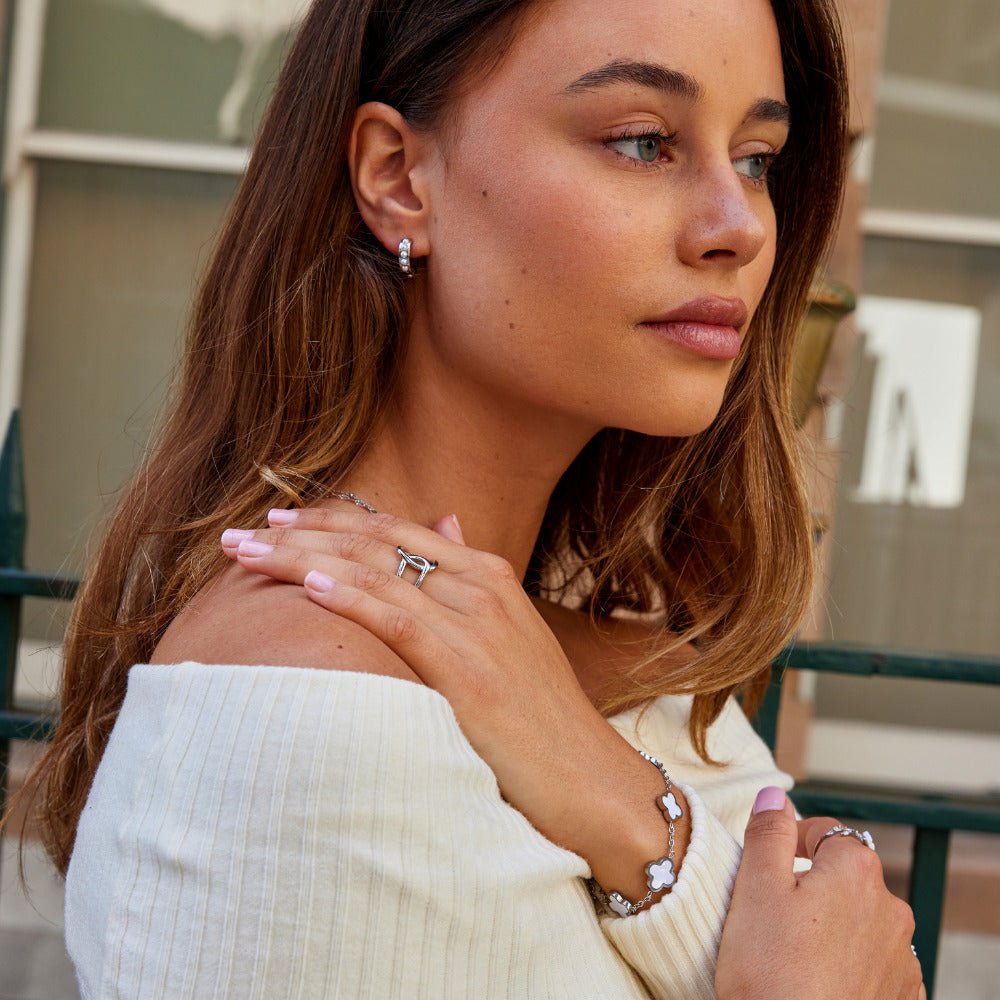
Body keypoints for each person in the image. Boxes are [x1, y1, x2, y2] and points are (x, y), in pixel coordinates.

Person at [6, 0, 924, 996]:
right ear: (400, 179)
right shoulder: (314, 709)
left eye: (754, 158)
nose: (738, 225)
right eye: (642, 141)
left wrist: (617, 797)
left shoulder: (639, 685)